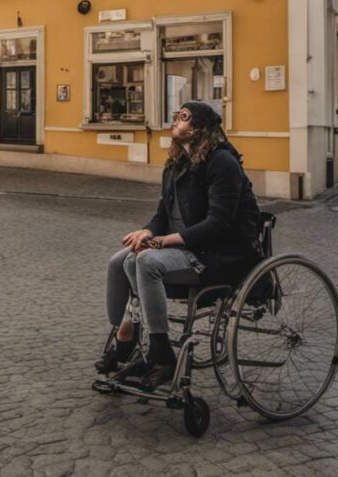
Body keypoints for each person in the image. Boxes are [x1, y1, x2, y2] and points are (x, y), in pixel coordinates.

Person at [97, 101, 262, 388]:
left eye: (183, 117)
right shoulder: (176, 164)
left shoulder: (223, 162)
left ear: (199, 128)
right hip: (182, 247)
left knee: (144, 261)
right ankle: (125, 336)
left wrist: (161, 242)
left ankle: (161, 356)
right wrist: (147, 231)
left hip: (217, 253)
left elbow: (218, 223)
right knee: (119, 261)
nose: (175, 121)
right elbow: (163, 214)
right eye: (176, 116)